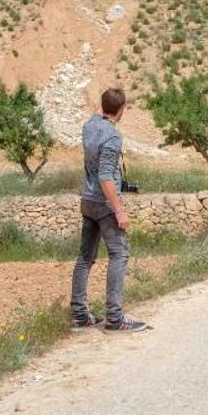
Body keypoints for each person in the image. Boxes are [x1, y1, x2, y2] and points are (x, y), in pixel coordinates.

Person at [71, 88, 148, 333]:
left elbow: (99, 114)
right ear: (122, 109)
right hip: (105, 204)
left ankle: (80, 314)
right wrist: (120, 211)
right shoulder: (112, 137)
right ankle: (115, 318)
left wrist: (106, 105)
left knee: (85, 257)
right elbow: (106, 177)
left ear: (102, 106)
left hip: (88, 199)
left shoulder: (89, 126)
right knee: (119, 255)